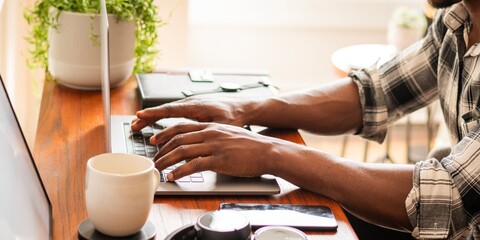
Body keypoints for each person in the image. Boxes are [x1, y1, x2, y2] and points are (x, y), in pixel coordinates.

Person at [131, 0, 480, 239]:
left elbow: (447, 197)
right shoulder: (459, 18)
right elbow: (374, 93)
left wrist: (271, 153)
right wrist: (245, 109)